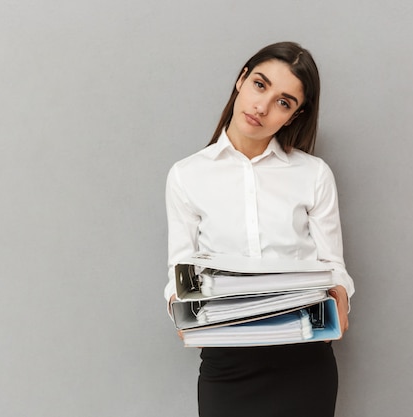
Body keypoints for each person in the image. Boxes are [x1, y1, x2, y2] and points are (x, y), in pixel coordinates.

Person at [164, 41, 355, 417]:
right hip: (228, 362)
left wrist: (341, 294)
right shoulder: (187, 175)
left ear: (294, 116)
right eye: (260, 85)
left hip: (304, 357)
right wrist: (177, 304)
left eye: (284, 102)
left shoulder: (313, 174)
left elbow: (334, 267)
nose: (262, 106)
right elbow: (180, 269)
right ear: (241, 81)